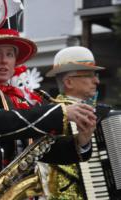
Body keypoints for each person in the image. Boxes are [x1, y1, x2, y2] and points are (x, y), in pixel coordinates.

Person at [0, 0, 97, 199]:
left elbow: (43, 150)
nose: (4, 60)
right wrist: (61, 112)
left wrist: (82, 141)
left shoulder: (22, 99)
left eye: (10, 54)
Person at [44, 46, 105, 200]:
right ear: (69, 82)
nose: (97, 81)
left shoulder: (94, 111)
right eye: (90, 75)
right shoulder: (54, 114)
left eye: (96, 75)